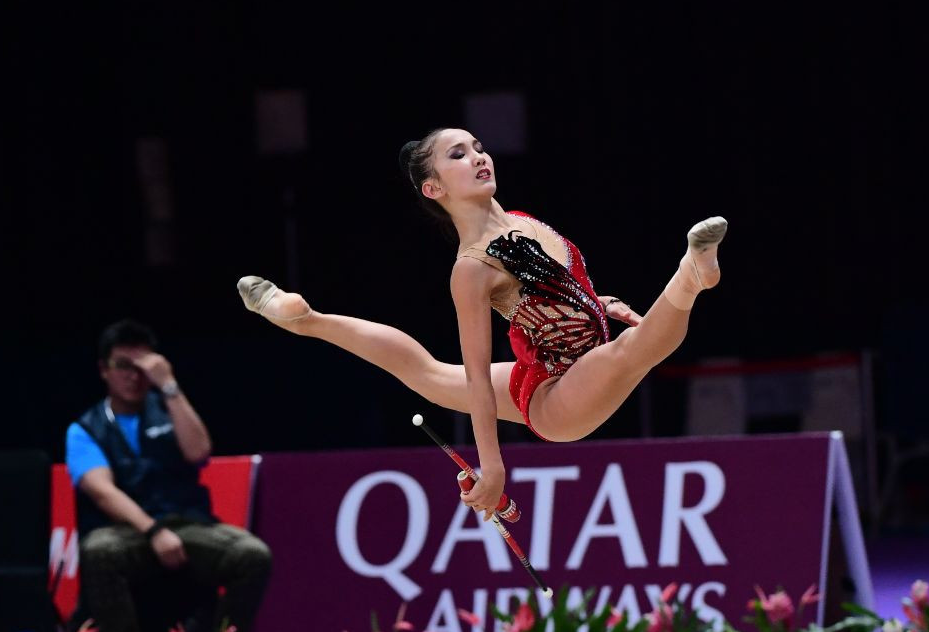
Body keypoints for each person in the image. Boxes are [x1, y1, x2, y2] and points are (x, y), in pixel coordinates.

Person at [237, 127, 726, 519]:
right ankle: (691, 275)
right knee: (632, 350)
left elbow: (549, 289)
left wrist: (596, 303)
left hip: (566, 360)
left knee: (428, 375)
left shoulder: (519, 220)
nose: (476, 157)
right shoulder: (472, 268)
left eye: (478, 147)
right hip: (558, 398)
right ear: (434, 188)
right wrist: (492, 469)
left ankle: (306, 319)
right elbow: (476, 374)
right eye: (457, 155)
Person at [68, 319, 272, 632]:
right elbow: (103, 492)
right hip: (128, 534)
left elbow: (200, 452)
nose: (134, 375)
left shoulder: (168, 409)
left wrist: (169, 385)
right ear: (104, 369)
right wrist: (153, 531)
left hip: (187, 527)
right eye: (123, 365)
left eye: (143, 366)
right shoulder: (86, 429)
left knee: (251, 555)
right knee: (98, 550)